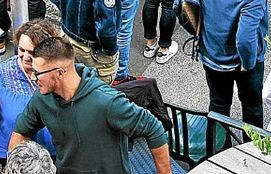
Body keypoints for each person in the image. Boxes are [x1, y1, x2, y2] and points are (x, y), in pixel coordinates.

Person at [9, 36, 171, 174]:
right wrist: (13, 166)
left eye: (38, 73)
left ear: (59, 73)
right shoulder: (41, 99)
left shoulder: (107, 102)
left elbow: (153, 127)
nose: (33, 77)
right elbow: (20, 132)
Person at [190, 0, 269, 126]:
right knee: (252, 106)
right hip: (241, 61)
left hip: (211, 53)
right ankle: (251, 151)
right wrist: (248, 63)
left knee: (218, 105)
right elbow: (245, 38)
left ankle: (217, 149)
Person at [0, 20, 59, 170]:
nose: (25, 56)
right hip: (8, 157)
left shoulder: (58, 74)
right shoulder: (0, 75)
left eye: (32, 52)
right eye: (21, 50)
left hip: (50, 156)